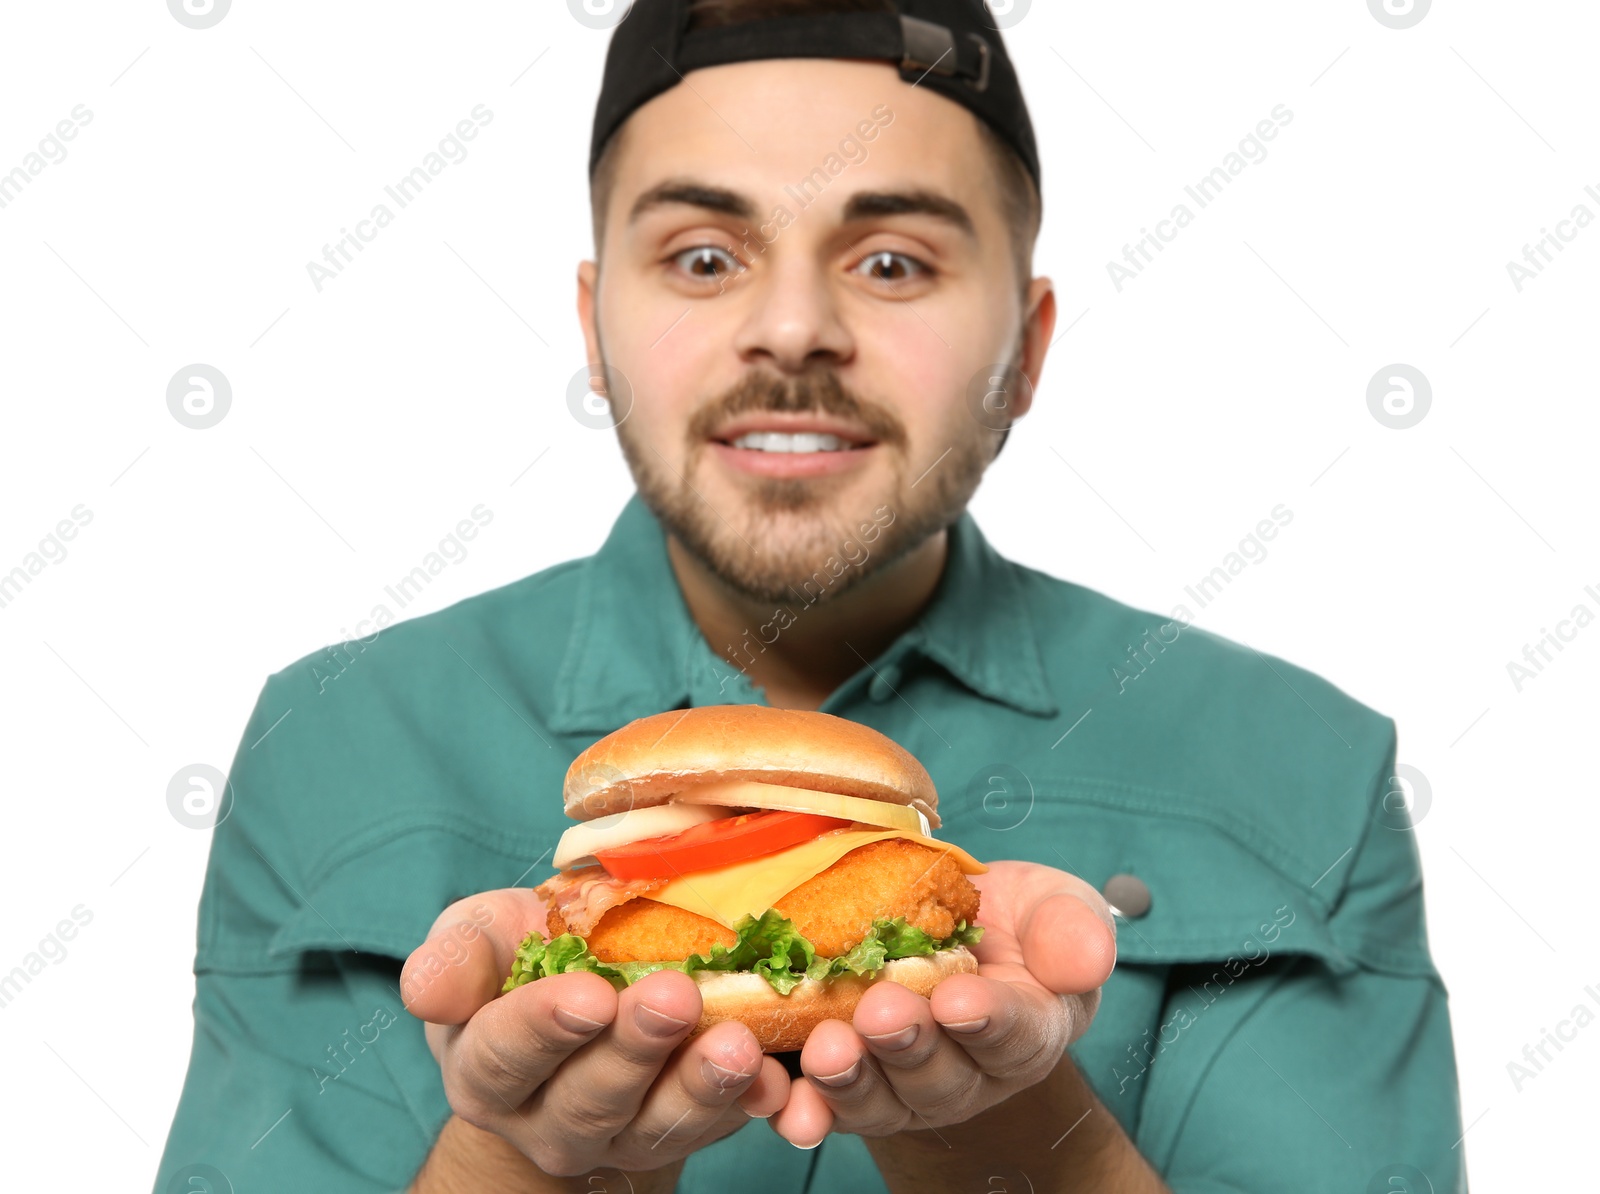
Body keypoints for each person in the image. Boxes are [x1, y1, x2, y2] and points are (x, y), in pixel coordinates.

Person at [155, 1, 1466, 1190]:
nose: (791, 327)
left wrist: (1009, 1134)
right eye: (704, 257)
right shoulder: (330, 745)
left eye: (892, 262)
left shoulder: (1307, 775)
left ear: (1027, 349)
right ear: (595, 326)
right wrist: (527, 1158)